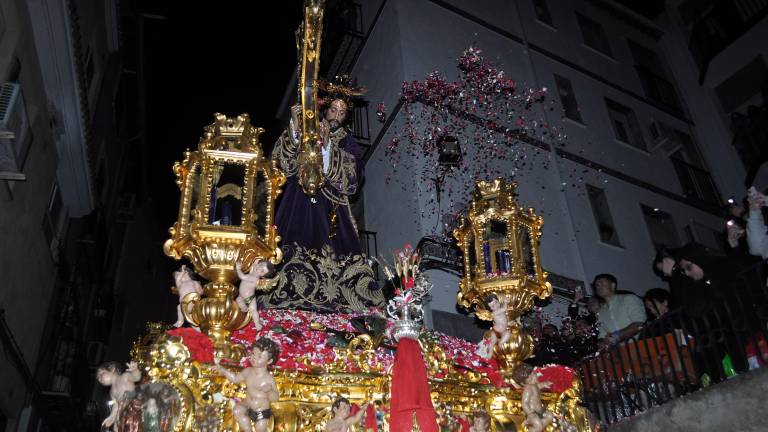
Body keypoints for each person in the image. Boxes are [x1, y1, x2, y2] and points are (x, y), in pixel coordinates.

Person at [266, 76, 383, 312]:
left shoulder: (349, 144)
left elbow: (354, 178)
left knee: (339, 255)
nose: (337, 115)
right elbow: (278, 165)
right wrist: (295, 131)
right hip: (298, 202)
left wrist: (328, 147)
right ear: (325, 110)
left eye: (342, 112)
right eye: (333, 109)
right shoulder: (305, 130)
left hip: (332, 209)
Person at [214, 337, 280, 432]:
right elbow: (235, 379)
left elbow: (275, 398)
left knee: (260, 429)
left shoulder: (268, 379)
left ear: (269, 361)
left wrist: (269, 391)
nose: (254, 357)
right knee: (237, 410)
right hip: (247, 404)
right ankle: (247, 429)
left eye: (259, 356)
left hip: (261, 411)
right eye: (253, 354)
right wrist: (223, 370)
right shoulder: (248, 371)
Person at [593, 273, 646, 349]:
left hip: (641, 345)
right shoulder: (600, 312)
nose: (598, 286)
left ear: (613, 285)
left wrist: (617, 335)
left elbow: (640, 324)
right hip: (619, 353)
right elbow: (602, 334)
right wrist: (601, 342)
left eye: (602, 283)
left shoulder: (629, 299)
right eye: (597, 285)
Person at [97, 361, 142, 430]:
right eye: (98, 378)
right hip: (122, 411)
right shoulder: (111, 391)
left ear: (112, 369)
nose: (99, 379)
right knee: (116, 425)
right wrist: (111, 417)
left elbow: (136, 377)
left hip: (134, 406)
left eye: (101, 374)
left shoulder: (125, 377)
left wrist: (135, 370)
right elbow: (116, 405)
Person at [235, 260, 276, 330]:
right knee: (238, 303)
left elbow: (242, 277)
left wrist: (238, 269)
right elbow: (253, 268)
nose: (259, 268)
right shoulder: (252, 274)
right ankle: (244, 309)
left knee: (253, 310)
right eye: (261, 264)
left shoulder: (254, 278)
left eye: (262, 271)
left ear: (263, 277)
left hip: (249, 298)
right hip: (241, 296)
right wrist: (255, 262)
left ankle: (257, 324)